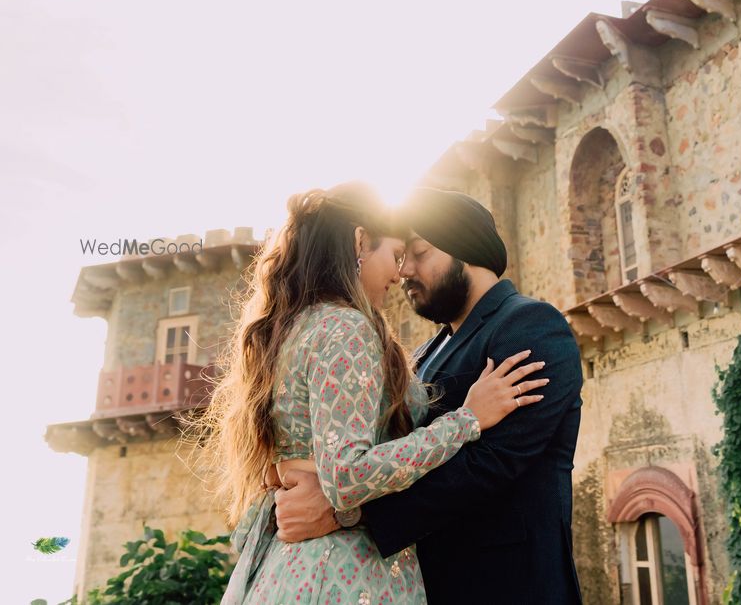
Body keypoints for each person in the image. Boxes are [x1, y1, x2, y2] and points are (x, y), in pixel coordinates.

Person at [195, 183, 549, 604]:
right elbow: (347, 475)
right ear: (361, 241)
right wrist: (467, 419)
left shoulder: (294, 327)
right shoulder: (346, 328)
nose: (400, 274)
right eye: (397, 255)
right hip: (346, 575)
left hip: (292, 571)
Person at [274, 187, 585, 605]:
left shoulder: (531, 326)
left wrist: (345, 513)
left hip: (508, 585)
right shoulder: (420, 355)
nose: (404, 271)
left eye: (420, 252)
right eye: (402, 257)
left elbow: (490, 462)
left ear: (466, 249)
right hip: (424, 586)